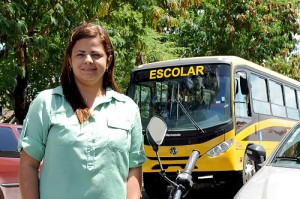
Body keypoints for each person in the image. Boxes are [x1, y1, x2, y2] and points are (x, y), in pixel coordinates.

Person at [18, 22, 146, 199]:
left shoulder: (128, 108)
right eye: (80, 54)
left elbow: (134, 168)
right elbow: (28, 165)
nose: (88, 60)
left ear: (108, 60)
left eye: (96, 54)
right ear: (70, 60)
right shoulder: (46, 103)